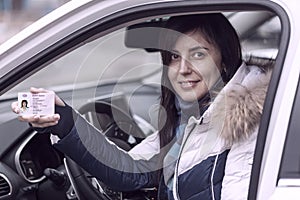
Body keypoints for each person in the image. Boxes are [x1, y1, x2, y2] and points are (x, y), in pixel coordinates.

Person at [11, 13, 273, 200]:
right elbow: (130, 171)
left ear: (225, 59)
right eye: (173, 57)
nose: (183, 69)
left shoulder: (251, 123)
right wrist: (64, 122)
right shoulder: (192, 117)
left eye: (198, 54)